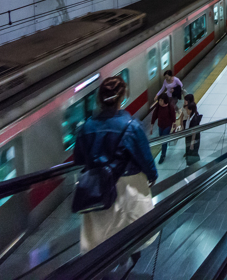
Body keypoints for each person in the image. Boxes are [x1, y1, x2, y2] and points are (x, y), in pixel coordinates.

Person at [74, 75, 158, 253]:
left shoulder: (85, 128)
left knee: (101, 237)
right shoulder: (131, 126)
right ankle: (126, 260)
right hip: (128, 188)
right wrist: (152, 176)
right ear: (122, 98)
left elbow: (79, 160)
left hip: (97, 190)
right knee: (130, 232)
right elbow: (145, 158)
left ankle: (105, 266)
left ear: (100, 100)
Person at [149, 92, 176, 163]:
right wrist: (151, 126)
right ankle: (165, 146)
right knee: (162, 139)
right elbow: (154, 116)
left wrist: (174, 124)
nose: (160, 102)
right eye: (159, 100)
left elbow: (173, 116)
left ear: (165, 100)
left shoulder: (170, 107)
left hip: (167, 126)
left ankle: (163, 155)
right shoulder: (158, 107)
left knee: (164, 140)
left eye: (161, 100)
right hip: (160, 126)